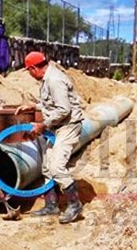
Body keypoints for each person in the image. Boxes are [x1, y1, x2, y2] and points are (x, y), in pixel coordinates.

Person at [15, 51, 85, 224]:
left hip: (68, 127)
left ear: (33, 68)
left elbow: (63, 110)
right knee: (46, 166)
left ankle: (75, 205)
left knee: (56, 166)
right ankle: (51, 205)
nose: (30, 75)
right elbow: (51, 104)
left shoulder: (55, 80)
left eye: (29, 71)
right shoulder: (48, 78)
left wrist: (42, 125)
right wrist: (33, 106)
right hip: (58, 127)